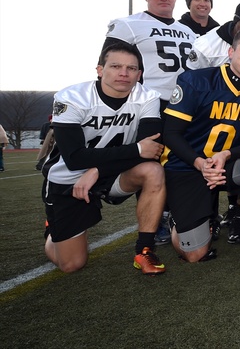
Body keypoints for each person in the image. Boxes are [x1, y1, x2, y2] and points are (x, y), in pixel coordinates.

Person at [42, 42, 167, 274]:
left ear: (139, 74)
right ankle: (53, 231)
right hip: (70, 179)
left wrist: (98, 169)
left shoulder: (147, 97)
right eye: (116, 66)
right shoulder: (72, 97)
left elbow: (149, 151)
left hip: (112, 174)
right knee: (71, 264)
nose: (124, 73)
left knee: (153, 170)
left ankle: (145, 250)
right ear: (100, 70)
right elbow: (75, 159)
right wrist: (135, 150)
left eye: (131, 68)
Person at [161, 28, 240, 268]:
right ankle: (178, 220)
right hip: (188, 165)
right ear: (231, 52)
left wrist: (226, 154)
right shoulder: (196, 81)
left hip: (227, 164)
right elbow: (171, 134)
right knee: (195, 255)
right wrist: (199, 163)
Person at [104, 0, 195, 108]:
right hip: (147, 101)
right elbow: (106, 65)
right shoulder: (128, 24)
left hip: (185, 101)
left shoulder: (189, 31)